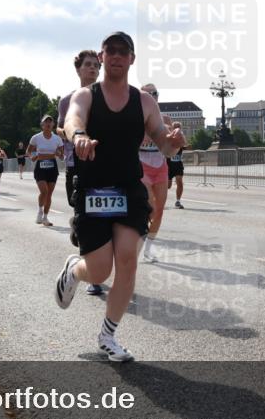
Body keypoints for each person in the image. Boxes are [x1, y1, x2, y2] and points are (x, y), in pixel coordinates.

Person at [55, 31, 184, 362]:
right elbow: (73, 120)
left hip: (128, 188)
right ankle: (74, 270)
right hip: (94, 188)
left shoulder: (144, 101)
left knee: (127, 260)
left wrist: (174, 141)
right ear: (102, 57)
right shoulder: (86, 95)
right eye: (109, 50)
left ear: (131, 58)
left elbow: (164, 145)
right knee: (98, 272)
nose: (115, 56)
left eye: (122, 51)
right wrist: (80, 136)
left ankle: (108, 335)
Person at [59, 49, 106, 295]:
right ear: (78, 69)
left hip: (103, 163)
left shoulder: (108, 97)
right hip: (76, 163)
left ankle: (94, 277)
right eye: (88, 65)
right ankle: (78, 228)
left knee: (98, 216)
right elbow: (60, 125)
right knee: (82, 213)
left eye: (96, 65)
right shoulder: (67, 100)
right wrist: (71, 133)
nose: (93, 69)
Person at [139, 84, 186, 263]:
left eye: (155, 93)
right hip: (141, 164)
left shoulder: (165, 118)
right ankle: (138, 227)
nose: (152, 96)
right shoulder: (136, 117)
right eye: (148, 94)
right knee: (149, 207)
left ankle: (148, 249)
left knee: (159, 211)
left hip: (160, 166)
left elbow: (174, 144)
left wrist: (177, 138)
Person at [27, 116, 64, 227]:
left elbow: (62, 155)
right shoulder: (36, 138)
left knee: (49, 194)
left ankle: (45, 217)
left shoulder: (57, 139)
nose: (48, 123)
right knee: (44, 192)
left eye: (50, 122)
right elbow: (28, 151)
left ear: (53, 125)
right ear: (42, 125)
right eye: (46, 122)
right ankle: (39, 211)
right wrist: (32, 156)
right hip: (40, 168)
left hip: (52, 168)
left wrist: (59, 154)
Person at [167, 124, 185, 209]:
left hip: (178, 164)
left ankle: (178, 201)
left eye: (179, 128)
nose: (178, 130)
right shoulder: (168, 138)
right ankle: (156, 198)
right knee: (168, 186)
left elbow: (185, 144)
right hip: (168, 165)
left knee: (180, 182)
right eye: (176, 128)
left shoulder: (181, 138)